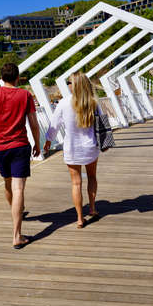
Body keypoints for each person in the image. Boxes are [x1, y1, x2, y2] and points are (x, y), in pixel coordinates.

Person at [0, 63, 40, 249]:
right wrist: (37, 143)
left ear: (2, 77)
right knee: (19, 188)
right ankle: (17, 235)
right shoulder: (25, 95)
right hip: (20, 146)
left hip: (0, 147)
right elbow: (34, 124)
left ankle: (16, 212)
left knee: (8, 183)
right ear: (17, 77)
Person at [43, 71, 104, 228]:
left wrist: (48, 140)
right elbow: (102, 124)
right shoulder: (93, 103)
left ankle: (79, 218)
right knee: (92, 177)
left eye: (70, 83)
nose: (68, 85)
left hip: (72, 148)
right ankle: (92, 208)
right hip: (91, 147)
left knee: (76, 183)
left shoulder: (63, 103)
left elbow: (54, 125)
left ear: (75, 85)